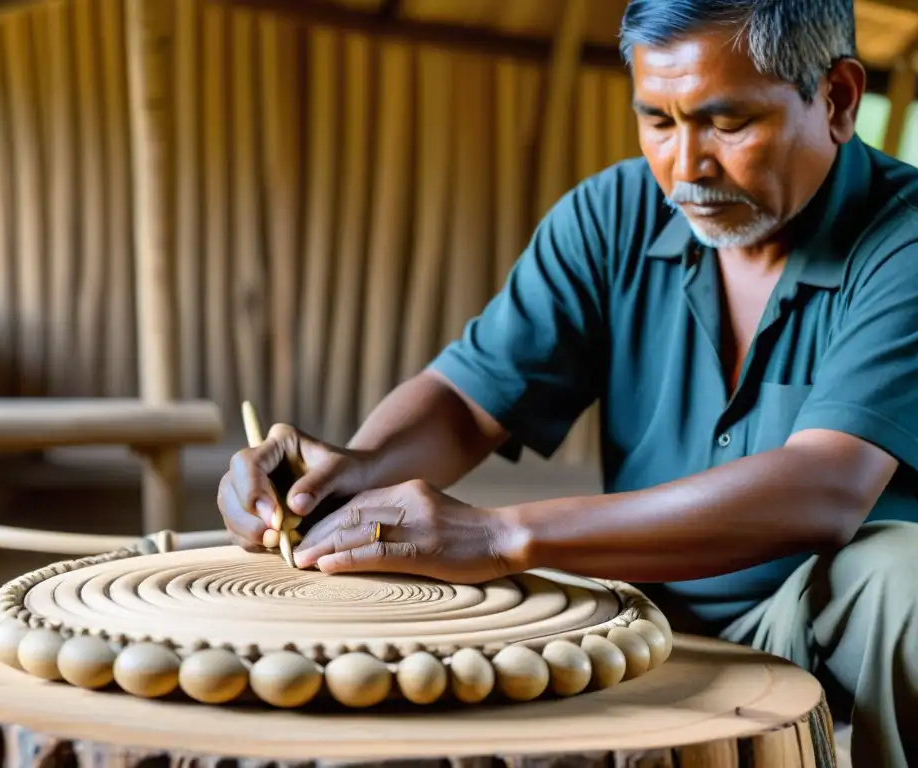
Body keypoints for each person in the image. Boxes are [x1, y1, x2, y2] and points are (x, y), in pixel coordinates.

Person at [218, 1, 918, 764]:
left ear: (839, 99)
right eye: (657, 120)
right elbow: (464, 402)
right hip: (632, 612)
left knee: (900, 574)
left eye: (729, 123)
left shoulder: (903, 239)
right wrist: (347, 473)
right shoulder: (611, 215)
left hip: (809, 618)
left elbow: (824, 487)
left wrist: (499, 534)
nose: (685, 167)